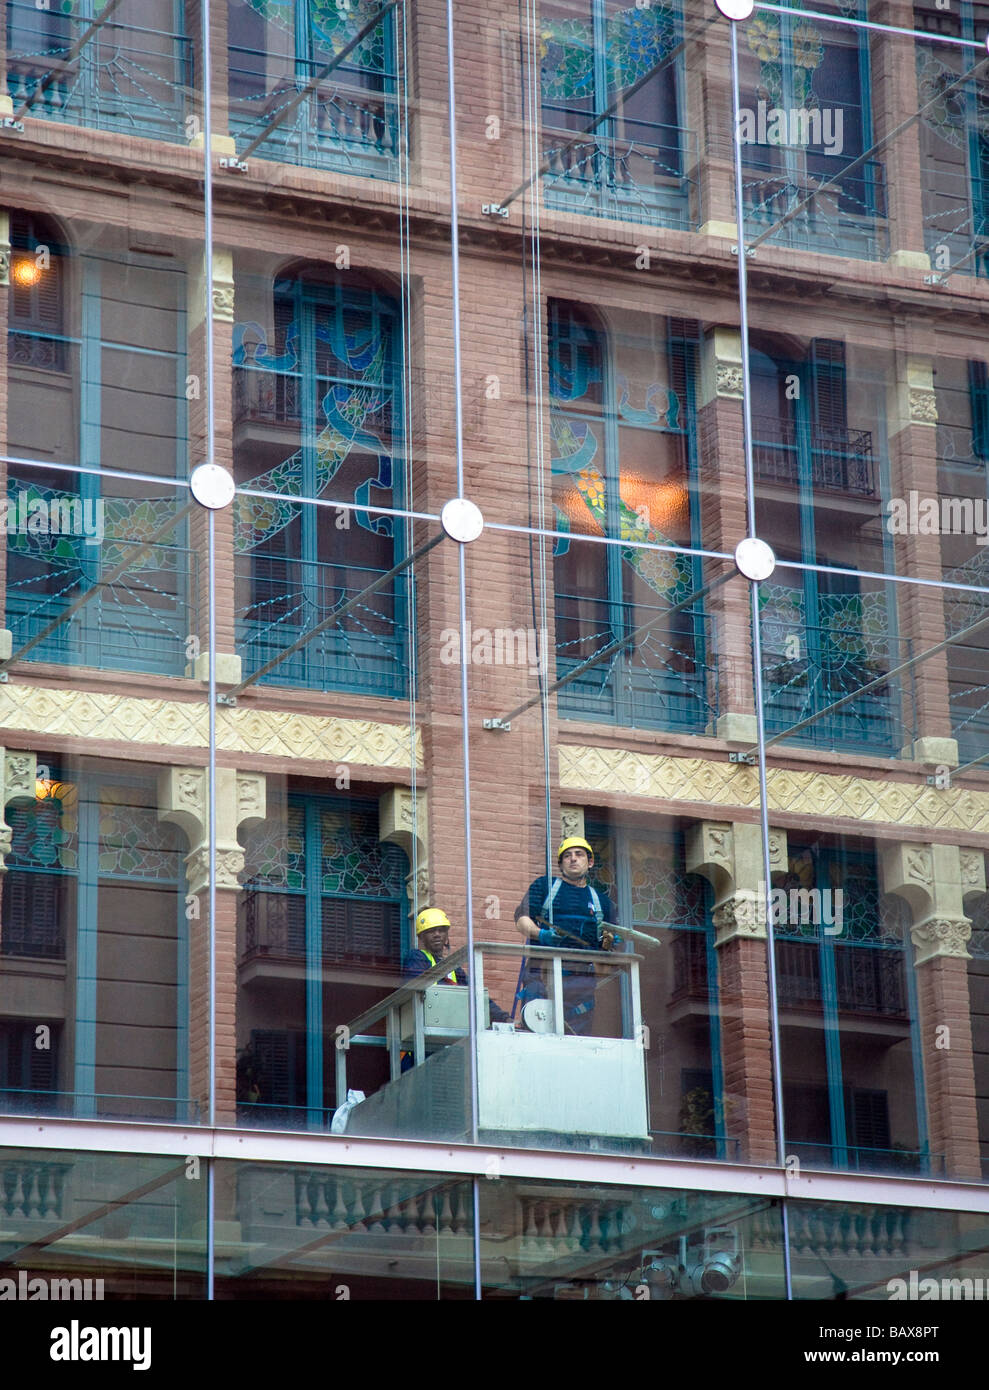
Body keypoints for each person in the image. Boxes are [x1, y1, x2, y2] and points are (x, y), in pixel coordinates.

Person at [515, 836, 619, 1035]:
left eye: (579, 855)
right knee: (537, 1032)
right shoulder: (544, 887)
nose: (573, 859)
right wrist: (541, 934)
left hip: (581, 982)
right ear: (561, 864)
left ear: (590, 862)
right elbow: (522, 920)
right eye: (567, 856)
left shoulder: (602, 902)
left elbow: (609, 945)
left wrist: (609, 942)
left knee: (576, 1040)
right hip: (542, 975)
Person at [402, 907, 466, 984]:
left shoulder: (454, 968)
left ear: (446, 935)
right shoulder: (416, 958)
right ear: (421, 937)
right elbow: (417, 988)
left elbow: (469, 991)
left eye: (441, 930)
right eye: (431, 931)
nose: (437, 934)